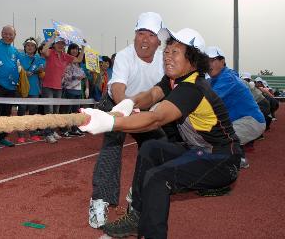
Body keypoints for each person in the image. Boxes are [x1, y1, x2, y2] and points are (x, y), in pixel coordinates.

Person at [79, 28, 241, 239]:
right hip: (199, 150)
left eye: (175, 52)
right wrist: (130, 102)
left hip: (222, 159)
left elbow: (156, 119)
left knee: (158, 178)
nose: (167, 56)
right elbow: (152, 94)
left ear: (192, 60)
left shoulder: (193, 88)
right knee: (151, 148)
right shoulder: (174, 79)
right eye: (167, 51)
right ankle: (137, 217)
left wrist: (110, 122)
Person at [88, 12, 166, 229]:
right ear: (135, 36)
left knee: (158, 148)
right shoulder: (124, 56)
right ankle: (99, 200)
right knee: (112, 148)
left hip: (145, 108)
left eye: (151, 35)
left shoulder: (163, 60)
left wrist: (142, 111)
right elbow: (118, 88)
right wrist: (125, 109)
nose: (145, 40)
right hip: (116, 104)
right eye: (141, 33)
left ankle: (137, 195)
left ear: (159, 41)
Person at [206, 46, 265, 169]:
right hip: (241, 120)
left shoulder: (226, 78)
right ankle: (239, 156)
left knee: (216, 140)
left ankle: (235, 160)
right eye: (206, 61)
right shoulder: (215, 79)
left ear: (222, 61)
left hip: (251, 122)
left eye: (212, 60)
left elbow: (205, 102)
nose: (208, 64)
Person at [41, 32, 85, 143]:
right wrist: (53, 37)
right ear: (55, 45)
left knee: (55, 111)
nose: (61, 45)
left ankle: (52, 130)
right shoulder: (50, 52)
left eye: (63, 44)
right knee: (49, 111)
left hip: (58, 87)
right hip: (48, 86)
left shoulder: (65, 56)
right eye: (59, 43)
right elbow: (43, 51)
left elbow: (79, 60)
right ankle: (48, 133)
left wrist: (83, 47)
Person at [16, 37, 45, 143]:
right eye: (28, 45)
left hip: (34, 89)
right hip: (23, 88)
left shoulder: (39, 58)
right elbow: (16, 68)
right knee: (22, 110)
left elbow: (43, 71)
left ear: (35, 48)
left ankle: (33, 133)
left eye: (32, 45)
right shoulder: (20, 56)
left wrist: (40, 71)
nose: (30, 47)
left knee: (33, 111)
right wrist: (23, 72)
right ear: (24, 47)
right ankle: (21, 134)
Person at [60, 43, 86, 137]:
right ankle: (64, 129)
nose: (74, 51)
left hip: (78, 90)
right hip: (69, 89)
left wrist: (83, 47)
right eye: (72, 49)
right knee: (67, 110)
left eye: (76, 49)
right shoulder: (67, 60)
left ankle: (74, 128)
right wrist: (76, 77)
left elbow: (83, 75)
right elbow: (66, 76)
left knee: (76, 111)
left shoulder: (79, 63)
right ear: (69, 50)